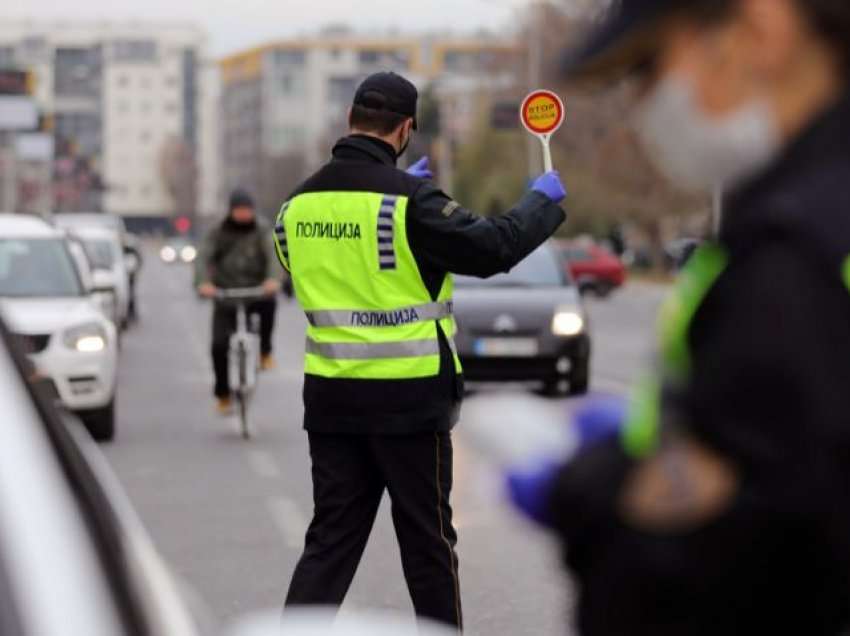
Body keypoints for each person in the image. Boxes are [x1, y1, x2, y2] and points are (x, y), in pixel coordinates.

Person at [506, 1, 850, 634]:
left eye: (651, 68)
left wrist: (592, 496)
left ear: (759, 28)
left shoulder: (793, 255)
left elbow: (727, 566)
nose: (645, 107)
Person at [273, 71, 567, 629]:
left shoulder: (295, 206)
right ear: (405, 128)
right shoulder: (410, 201)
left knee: (330, 542)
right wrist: (540, 203)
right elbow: (492, 248)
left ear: (349, 121)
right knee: (427, 545)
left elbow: (308, 267)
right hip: (409, 404)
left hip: (332, 402)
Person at [196, 189, 282, 413]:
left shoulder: (262, 230)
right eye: (240, 210)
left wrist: (273, 280)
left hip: (256, 291)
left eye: (247, 210)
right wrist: (204, 283)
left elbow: (273, 255)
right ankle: (223, 394)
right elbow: (203, 257)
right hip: (225, 295)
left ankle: (265, 352)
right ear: (232, 211)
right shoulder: (218, 232)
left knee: (270, 306)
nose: (244, 214)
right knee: (218, 346)